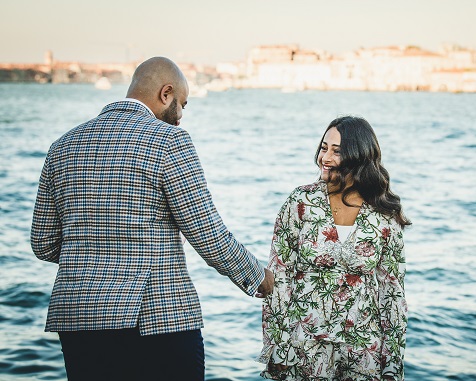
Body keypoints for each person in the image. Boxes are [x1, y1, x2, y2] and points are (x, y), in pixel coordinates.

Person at [30, 56, 274, 381]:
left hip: (78, 318)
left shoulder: (62, 146)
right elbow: (207, 233)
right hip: (154, 321)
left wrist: (93, 256)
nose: (182, 116)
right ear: (166, 93)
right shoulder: (168, 141)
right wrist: (259, 277)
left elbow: (43, 244)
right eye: (182, 105)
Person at [258, 116, 410, 380]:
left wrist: (393, 360)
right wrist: (277, 344)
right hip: (304, 345)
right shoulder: (301, 202)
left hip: (365, 350)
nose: (324, 157)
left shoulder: (384, 213)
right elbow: (280, 276)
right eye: (323, 147)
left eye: (336, 151)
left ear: (358, 156)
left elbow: (393, 292)